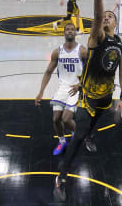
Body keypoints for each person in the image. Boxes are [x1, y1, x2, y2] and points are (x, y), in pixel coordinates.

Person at [54, 0, 122, 200]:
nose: (106, 18)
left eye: (110, 16)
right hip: (89, 97)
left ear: (116, 22)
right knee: (78, 137)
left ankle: (89, 136)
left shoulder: (120, 41)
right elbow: (96, 17)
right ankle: (62, 175)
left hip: (107, 96)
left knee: (92, 128)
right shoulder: (97, 37)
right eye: (104, 16)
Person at [35, 23, 87, 155]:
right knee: (55, 119)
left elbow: (90, 72)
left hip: (76, 89)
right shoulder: (57, 52)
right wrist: (41, 91)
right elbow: (48, 72)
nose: (69, 31)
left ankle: (83, 135)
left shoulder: (82, 51)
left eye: (72, 29)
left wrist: (80, 86)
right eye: (67, 29)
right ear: (63, 33)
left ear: (75, 33)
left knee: (66, 118)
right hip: (62, 88)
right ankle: (62, 142)